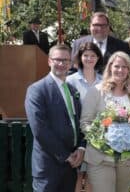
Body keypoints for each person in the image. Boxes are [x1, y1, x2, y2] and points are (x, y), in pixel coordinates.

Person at [24, 44, 86, 192]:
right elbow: (40, 130)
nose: (61, 64)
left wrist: (81, 148)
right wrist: (66, 156)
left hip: (71, 167)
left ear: (70, 63)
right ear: (49, 61)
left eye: (66, 60)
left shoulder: (72, 90)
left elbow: (79, 124)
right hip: (48, 166)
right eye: (57, 59)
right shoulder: (37, 90)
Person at [80, 51, 130, 192]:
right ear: (110, 68)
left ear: (129, 70)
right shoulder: (96, 91)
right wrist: (102, 140)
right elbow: (85, 122)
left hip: (128, 159)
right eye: (116, 66)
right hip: (100, 157)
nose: (120, 70)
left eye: (124, 67)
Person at [66, 42, 102, 192]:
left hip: (98, 134)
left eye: (93, 55)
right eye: (85, 55)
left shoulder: (104, 81)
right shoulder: (70, 81)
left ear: (98, 58)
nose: (89, 58)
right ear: (80, 58)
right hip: (77, 135)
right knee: (78, 174)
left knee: (92, 175)